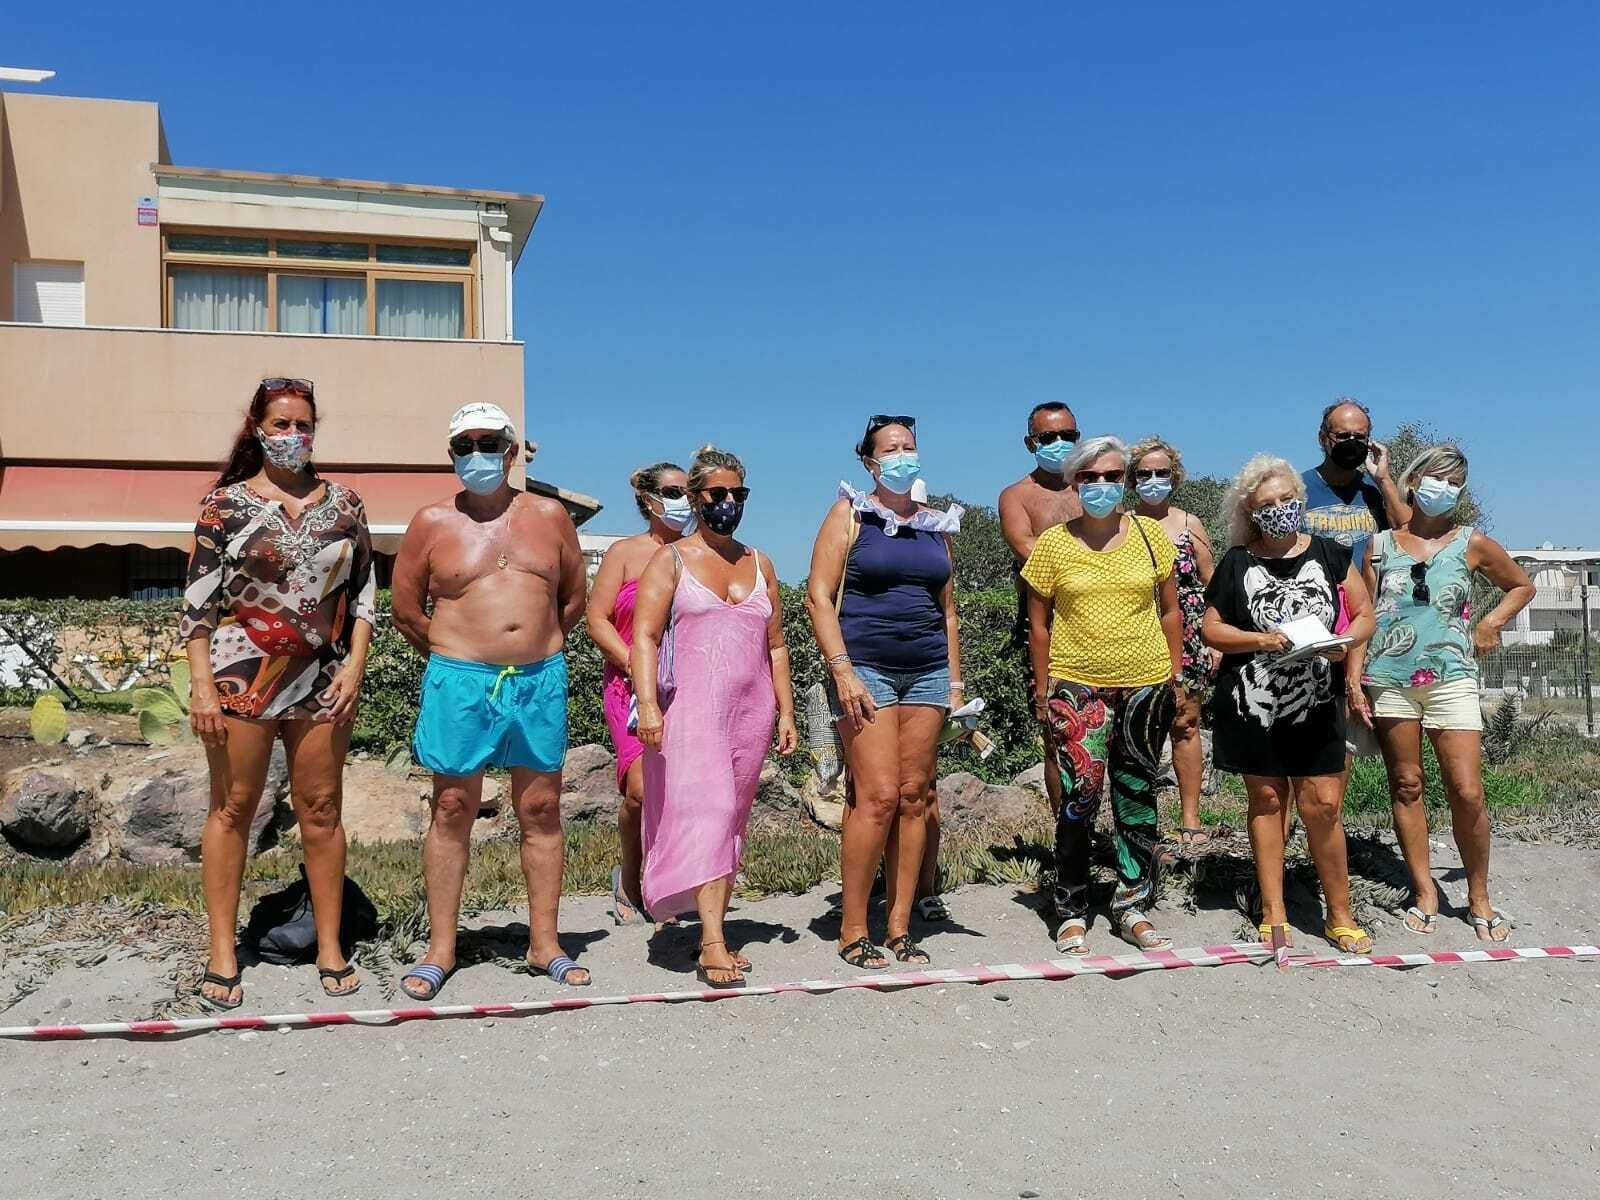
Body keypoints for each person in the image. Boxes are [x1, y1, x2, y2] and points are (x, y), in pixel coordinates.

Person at [181, 377, 375, 1009]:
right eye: (282, 424)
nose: (294, 435)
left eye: (304, 425)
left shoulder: (345, 504)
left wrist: (355, 667)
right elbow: (198, 605)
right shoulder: (225, 506)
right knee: (233, 807)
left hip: (323, 676)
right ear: (258, 429)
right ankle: (222, 951)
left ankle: (330, 946)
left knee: (321, 810)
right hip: (241, 673)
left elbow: (363, 594)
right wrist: (202, 688)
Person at [391, 401, 589, 997]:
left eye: (488, 442)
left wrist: (532, 646)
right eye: (464, 445)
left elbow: (573, 598)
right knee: (452, 807)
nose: (476, 454)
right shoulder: (431, 522)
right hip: (460, 681)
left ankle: (544, 943)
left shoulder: (550, 516)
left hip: (538, 679)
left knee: (542, 809)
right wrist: (458, 654)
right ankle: (440, 948)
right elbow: (406, 610)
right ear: (451, 454)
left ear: (511, 450)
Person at [1349, 445, 1535, 942]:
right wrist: (1353, 679)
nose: (1445, 488)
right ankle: (1425, 891)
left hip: (1452, 678)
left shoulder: (1472, 543)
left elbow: (1521, 586)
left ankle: (1479, 895)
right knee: (1407, 784)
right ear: (1413, 482)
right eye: (1437, 478)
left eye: (1455, 482)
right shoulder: (1379, 546)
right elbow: (1364, 617)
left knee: (1467, 791)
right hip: (1388, 679)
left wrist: (1492, 622)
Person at [632, 445, 798, 986]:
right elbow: (644, 637)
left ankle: (716, 928)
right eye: (717, 493)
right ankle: (711, 943)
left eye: (737, 493)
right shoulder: (671, 560)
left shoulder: (761, 563)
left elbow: (776, 645)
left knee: (732, 820)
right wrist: (649, 705)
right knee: (710, 811)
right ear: (696, 497)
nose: (728, 502)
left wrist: (787, 711)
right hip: (692, 710)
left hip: (752, 712)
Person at [1201, 455, 1377, 954]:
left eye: (1287, 499)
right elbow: (1211, 628)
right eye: (1267, 504)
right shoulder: (1237, 562)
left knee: (1324, 805)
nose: (1279, 509)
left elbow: (1365, 614)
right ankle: (1273, 909)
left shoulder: (1331, 553)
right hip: (1254, 705)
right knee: (1267, 801)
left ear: (1300, 499)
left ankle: (1339, 913)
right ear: (1249, 512)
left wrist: (1343, 642)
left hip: (1317, 703)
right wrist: (1261, 640)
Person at [806, 415, 963, 968]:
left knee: (915, 795)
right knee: (876, 797)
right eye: (890, 448)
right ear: (869, 461)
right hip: (865, 667)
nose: (902, 455)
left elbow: (947, 611)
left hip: (927, 673)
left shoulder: (936, 524)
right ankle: (853, 929)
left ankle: (899, 926)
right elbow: (818, 597)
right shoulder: (849, 514)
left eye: (909, 446)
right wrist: (842, 670)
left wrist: (955, 682)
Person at [1021, 435, 1183, 954]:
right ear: (1074, 483)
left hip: (1146, 684)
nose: (1101, 485)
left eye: (1112, 476)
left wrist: (1175, 675)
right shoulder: (1053, 544)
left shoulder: (1152, 537)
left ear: (1125, 481)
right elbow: (1039, 625)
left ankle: (1132, 904)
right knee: (1079, 798)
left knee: (1137, 795)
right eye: (1089, 477)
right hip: (1077, 688)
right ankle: (1071, 907)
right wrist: (1044, 689)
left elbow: (1170, 610)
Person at [585, 460, 692, 926]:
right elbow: (597, 619)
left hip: (686, 686)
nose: (685, 500)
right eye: (674, 492)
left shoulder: (697, 553)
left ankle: (667, 882)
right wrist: (635, 664)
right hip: (628, 686)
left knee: (681, 790)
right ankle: (630, 877)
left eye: (689, 491)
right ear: (648, 500)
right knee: (640, 790)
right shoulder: (624, 553)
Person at [1128, 436, 1218, 849]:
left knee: (1185, 723)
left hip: (1189, 636)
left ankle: (1190, 818)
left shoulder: (1189, 524)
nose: (1153, 480)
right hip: (1136, 635)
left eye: (1161, 472)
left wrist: (1215, 641)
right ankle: (1139, 821)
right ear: (1132, 478)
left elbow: (1212, 584)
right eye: (1144, 473)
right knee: (1138, 727)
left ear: (1174, 476)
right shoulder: (1122, 524)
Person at [999, 401, 1083, 818]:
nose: (1060, 443)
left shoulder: (1094, 487)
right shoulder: (1016, 497)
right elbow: (1027, 551)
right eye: (1049, 437)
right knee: (1056, 732)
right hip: (1046, 626)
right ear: (1030, 442)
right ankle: (1067, 834)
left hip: (1109, 626)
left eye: (1068, 435)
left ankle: (1108, 834)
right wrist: (1097, 564)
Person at [1301, 397, 1410, 565]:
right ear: (1323, 439)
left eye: (1359, 437)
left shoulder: (1376, 490)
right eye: (1343, 436)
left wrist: (1383, 480)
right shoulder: (1297, 489)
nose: (1352, 442)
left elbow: (1408, 533)